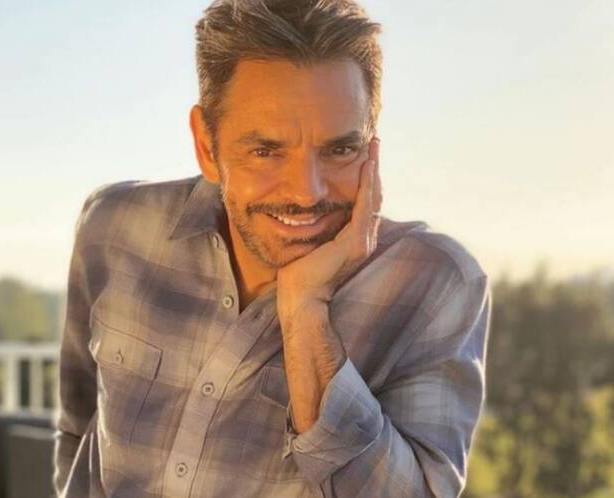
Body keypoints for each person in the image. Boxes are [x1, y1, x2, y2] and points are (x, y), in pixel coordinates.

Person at [53, 1, 491, 497]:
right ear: (206, 145)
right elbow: (79, 429)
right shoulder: (114, 227)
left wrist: (306, 313)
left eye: (339, 149)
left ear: (371, 143)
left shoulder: (436, 285)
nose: (306, 193)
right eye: (266, 151)